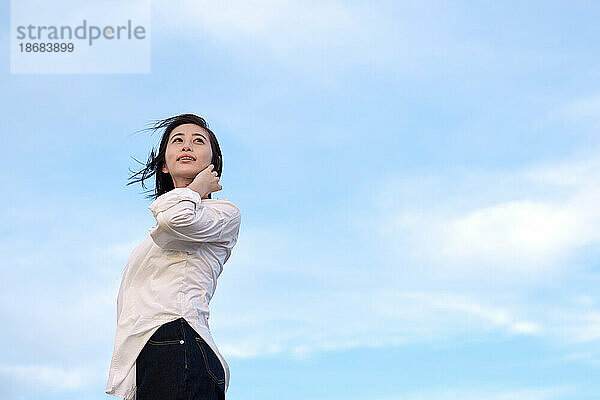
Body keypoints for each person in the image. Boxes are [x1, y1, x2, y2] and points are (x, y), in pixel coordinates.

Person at [105, 113, 242, 400]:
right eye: (177, 141)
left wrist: (197, 189)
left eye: (198, 141)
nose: (186, 146)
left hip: (179, 340)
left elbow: (175, 221)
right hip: (158, 350)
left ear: (213, 164)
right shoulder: (163, 223)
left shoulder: (222, 213)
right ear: (164, 166)